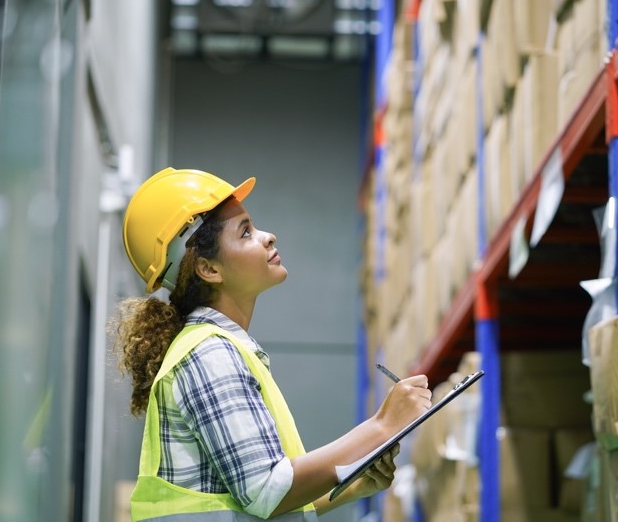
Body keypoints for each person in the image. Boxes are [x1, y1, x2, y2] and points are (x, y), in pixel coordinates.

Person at [111, 167, 432, 521]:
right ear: (208, 269)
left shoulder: (221, 349)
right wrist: (382, 425)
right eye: (246, 232)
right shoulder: (209, 354)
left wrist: (351, 486)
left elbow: (254, 505)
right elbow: (266, 491)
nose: (268, 237)